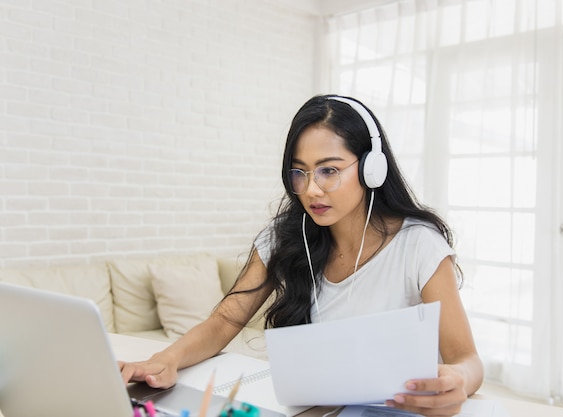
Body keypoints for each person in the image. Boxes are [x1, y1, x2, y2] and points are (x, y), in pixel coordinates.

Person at [119, 94, 484, 417]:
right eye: (300, 172)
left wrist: (459, 380)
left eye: (329, 171)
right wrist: (163, 361)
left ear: (372, 169)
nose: (311, 190)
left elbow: (466, 360)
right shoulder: (284, 237)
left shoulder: (419, 244)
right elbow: (222, 323)